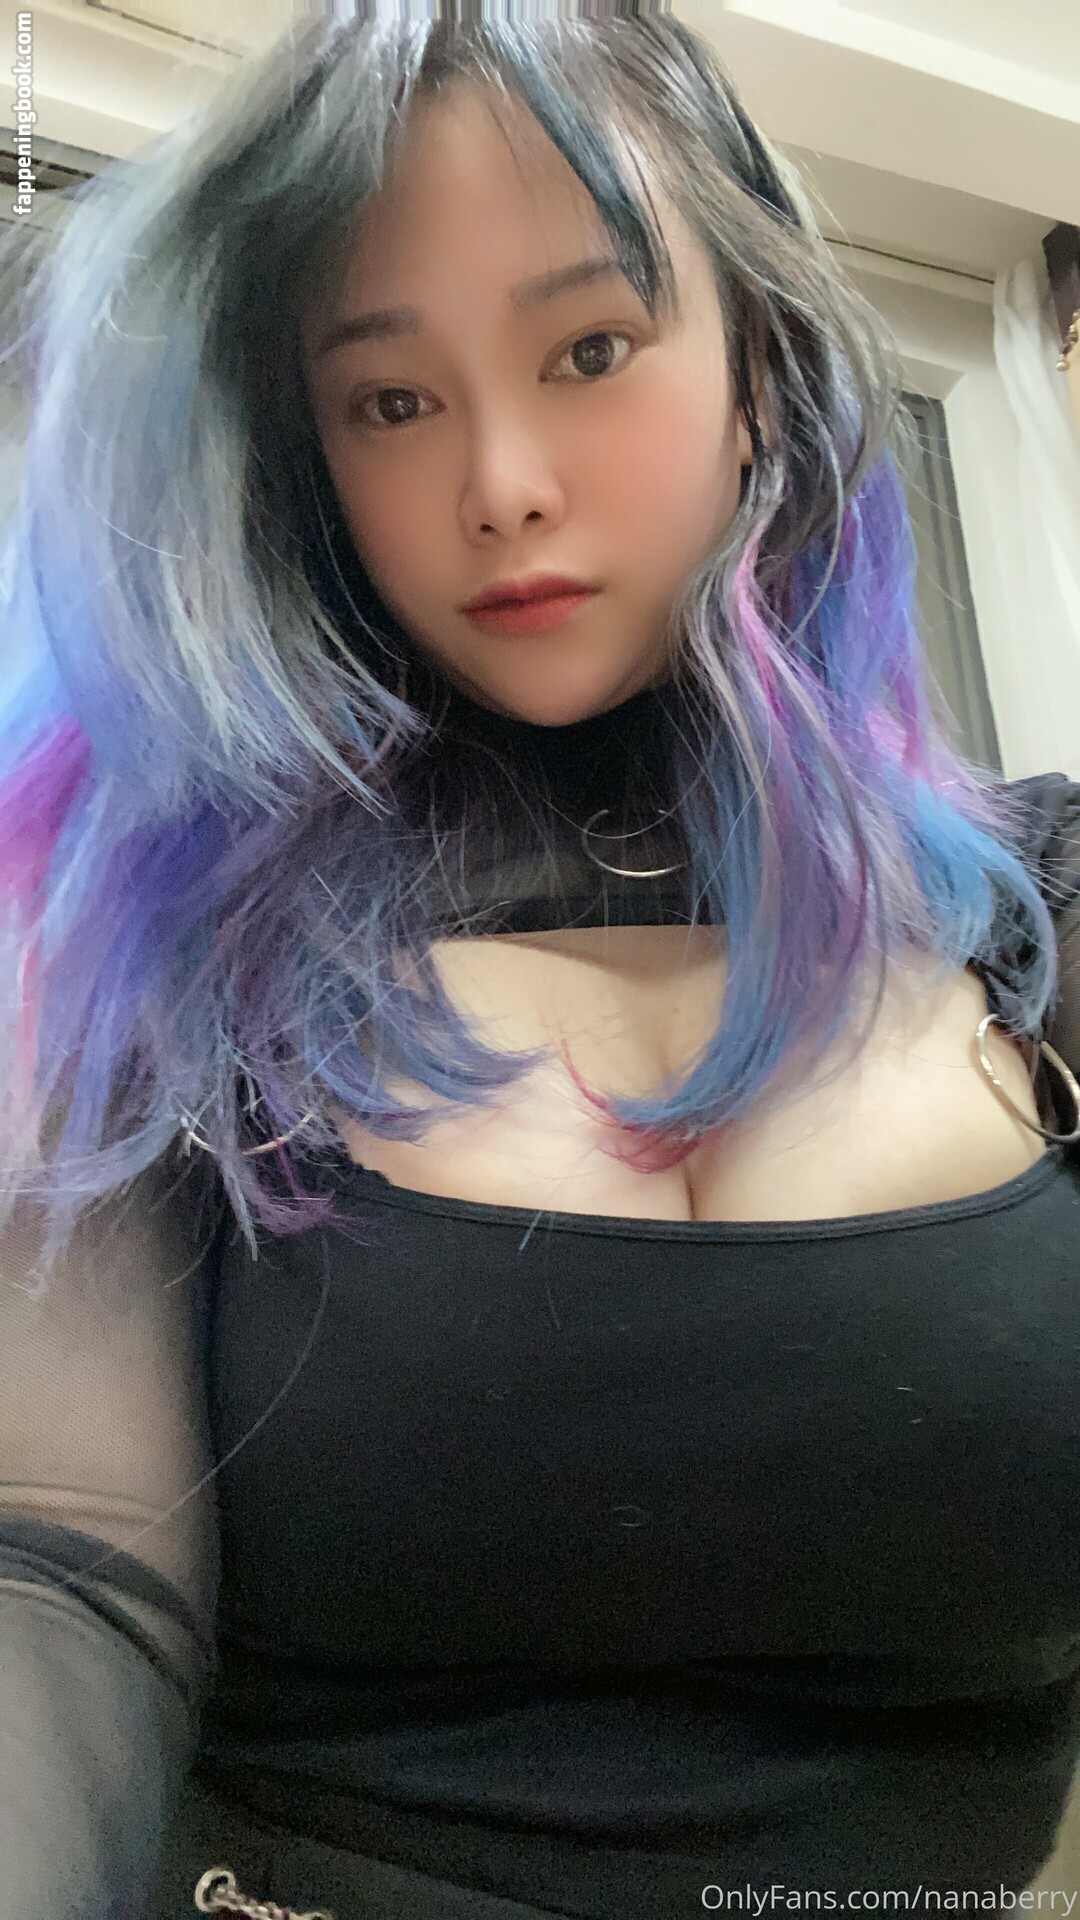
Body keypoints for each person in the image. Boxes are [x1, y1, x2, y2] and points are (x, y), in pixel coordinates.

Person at [1, 8, 1079, 1917]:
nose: (500, 483)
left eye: (589, 350)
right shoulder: (137, 936)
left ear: (759, 367)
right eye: (389, 400)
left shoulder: (1035, 906)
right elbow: (65, 1572)